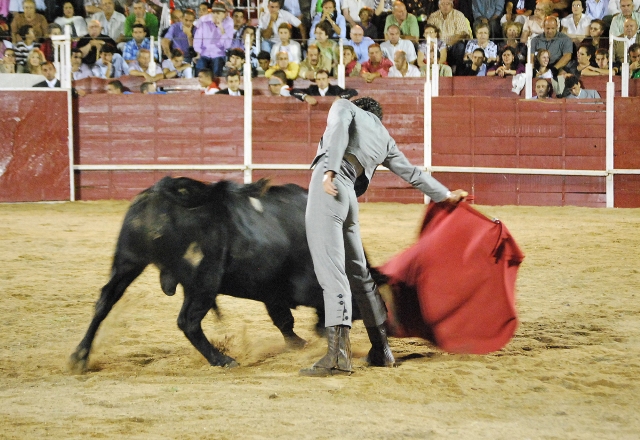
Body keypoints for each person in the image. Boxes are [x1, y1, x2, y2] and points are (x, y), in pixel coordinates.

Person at [299, 97, 467, 377]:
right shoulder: (385, 138)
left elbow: (339, 126)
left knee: (332, 272)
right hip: (350, 196)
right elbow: (413, 174)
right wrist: (446, 195)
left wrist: (329, 168)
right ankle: (381, 349)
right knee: (359, 273)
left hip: (329, 186)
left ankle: (338, 356)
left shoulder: (345, 106)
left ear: (360, 106)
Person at [194, 2, 233, 76]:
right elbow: (197, 39)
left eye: (218, 13)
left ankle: (215, 86)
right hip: (204, 53)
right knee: (200, 68)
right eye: (214, 13)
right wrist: (199, 52)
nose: (215, 15)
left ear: (224, 14)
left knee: (217, 68)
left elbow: (227, 45)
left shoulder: (229, 23)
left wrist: (221, 29)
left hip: (218, 54)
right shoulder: (204, 21)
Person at [291, 69, 358, 104]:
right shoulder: (312, 89)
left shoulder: (335, 89)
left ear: (328, 80)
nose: (321, 82)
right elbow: (293, 91)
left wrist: (340, 97)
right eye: (319, 79)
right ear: (316, 81)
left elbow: (353, 91)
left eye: (323, 79)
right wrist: (305, 97)